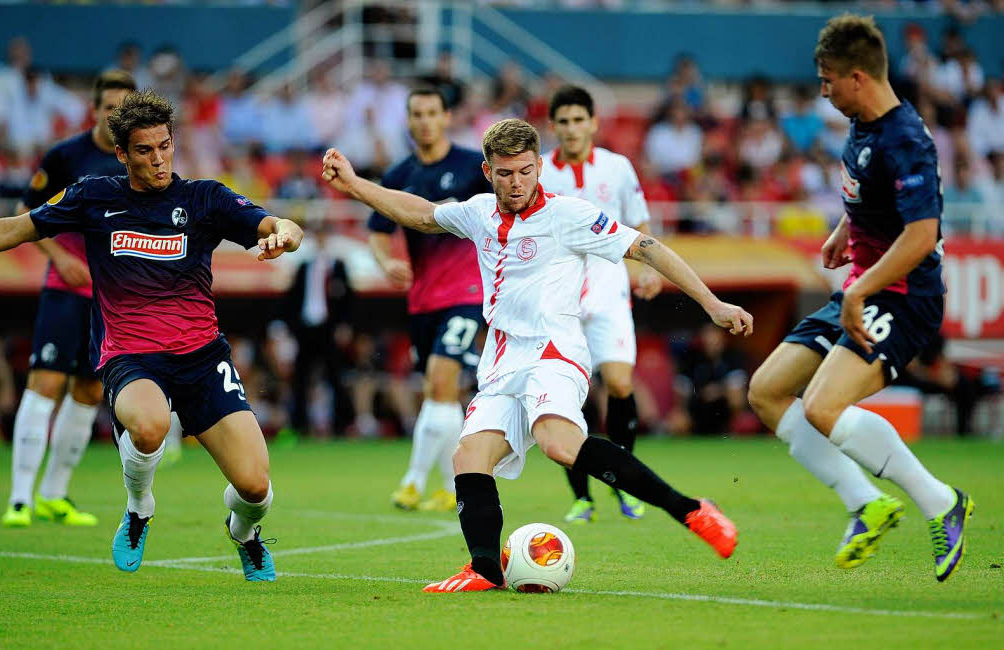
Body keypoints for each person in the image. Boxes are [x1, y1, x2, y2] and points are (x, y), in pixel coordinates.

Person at [322, 117, 753, 593]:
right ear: (488, 171)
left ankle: (692, 510)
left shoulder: (569, 215)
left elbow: (647, 247)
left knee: (559, 445)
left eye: (526, 171)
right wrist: (357, 185)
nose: (517, 182)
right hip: (503, 362)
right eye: (506, 173)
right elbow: (421, 214)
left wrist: (712, 303)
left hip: (555, 352)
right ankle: (484, 568)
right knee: (469, 455)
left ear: (538, 166)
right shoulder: (479, 212)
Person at [0, 90, 303, 582]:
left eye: (165, 145)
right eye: (144, 150)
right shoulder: (94, 195)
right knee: (149, 424)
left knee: (256, 487)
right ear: (122, 154)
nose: (158, 159)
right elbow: (18, 229)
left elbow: (281, 224)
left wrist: (283, 235)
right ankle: (139, 508)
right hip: (132, 356)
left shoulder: (205, 198)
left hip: (203, 358)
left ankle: (243, 534)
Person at [746, 14, 972, 582]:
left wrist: (862, 287)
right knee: (768, 392)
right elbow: (873, 198)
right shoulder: (862, 124)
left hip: (902, 296)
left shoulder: (905, 139)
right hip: (864, 286)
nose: (822, 92)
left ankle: (941, 502)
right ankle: (865, 502)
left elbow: (922, 235)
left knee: (822, 408)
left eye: (827, 80)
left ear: (857, 77)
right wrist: (845, 233)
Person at [2, 71, 137, 529]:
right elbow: (26, 214)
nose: (115, 116)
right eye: (108, 108)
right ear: (95, 109)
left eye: (124, 108)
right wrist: (59, 257)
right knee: (45, 384)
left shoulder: (138, 158)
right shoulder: (66, 155)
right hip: (64, 287)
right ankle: (19, 499)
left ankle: (54, 494)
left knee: (88, 390)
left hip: (111, 298)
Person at [538, 84, 662, 523]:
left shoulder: (617, 167)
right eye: (564, 121)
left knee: (620, 385)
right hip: (559, 295)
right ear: (553, 126)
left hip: (609, 288)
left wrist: (649, 268)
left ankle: (625, 487)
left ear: (593, 122)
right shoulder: (538, 172)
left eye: (579, 120)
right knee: (571, 393)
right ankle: (582, 497)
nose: (572, 129)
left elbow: (640, 220)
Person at [367, 87, 490, 512]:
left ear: (446, 117)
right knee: (440, 391)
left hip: (467, 293)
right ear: (408, 119)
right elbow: (378, 229)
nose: (424, 121)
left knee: (440, 382)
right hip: (423, 299)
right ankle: (449, 486)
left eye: (431, 113)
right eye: (416, 113)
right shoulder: (400, 175)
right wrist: (385, 263)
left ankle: (412, 482)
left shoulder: (474, 166)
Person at [282, 221, 353, 439]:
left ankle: (342, 425)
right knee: (300, 379)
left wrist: (344, 325)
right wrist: (291, 328)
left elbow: (349, 299)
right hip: (306, 328)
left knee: (335, 377)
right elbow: (291, 299)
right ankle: (299, 426)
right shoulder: (304, 266)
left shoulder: (338, 266)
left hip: (328, 329)